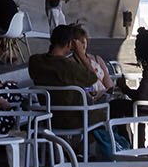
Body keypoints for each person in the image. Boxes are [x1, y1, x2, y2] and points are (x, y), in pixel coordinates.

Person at [29, 25, 110, 159]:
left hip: (47, 116)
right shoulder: (68, 67)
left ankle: (70, 151)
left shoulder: (35, 62)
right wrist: (82, 56)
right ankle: (76, 150)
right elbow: (92, 78)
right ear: (69, 44)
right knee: (106, 113)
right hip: (73, 118)